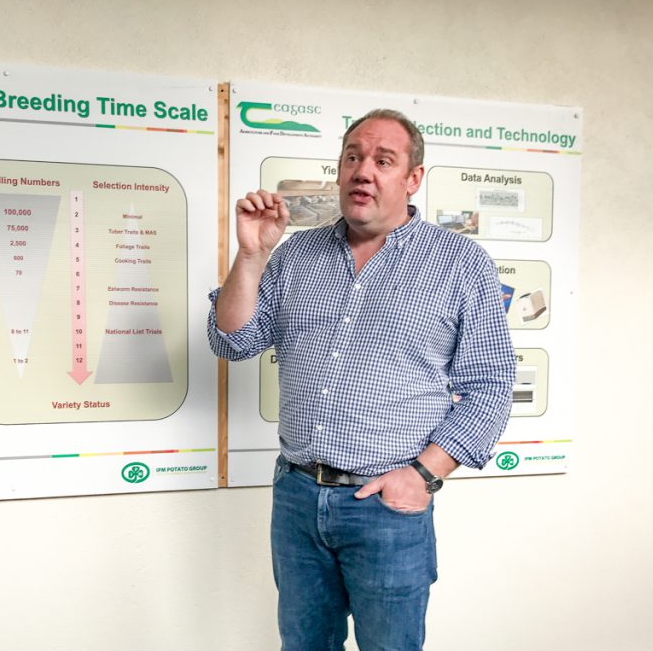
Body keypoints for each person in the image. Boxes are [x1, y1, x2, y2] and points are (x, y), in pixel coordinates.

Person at [207, 109, 515, 651]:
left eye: (383, 160)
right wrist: (252, 257)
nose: (363, 170)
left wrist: (423, 473)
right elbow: (232, 341)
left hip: (386, 510)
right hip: (298, 497)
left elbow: (489, 386)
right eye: (353, 157)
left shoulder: (459, 263)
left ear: (412, 178)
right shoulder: (296, 255)